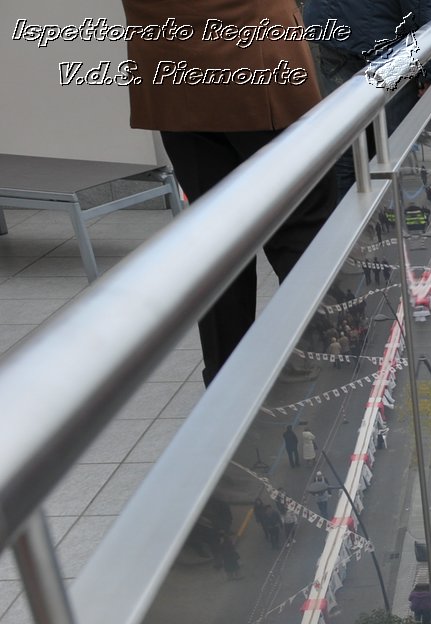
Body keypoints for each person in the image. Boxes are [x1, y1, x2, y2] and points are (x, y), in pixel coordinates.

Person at [122, 0, 336, 386]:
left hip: (170, 68)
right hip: (255, 59)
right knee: (299, 228)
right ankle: (330, 350)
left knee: (214, 239)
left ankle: (227, 379)